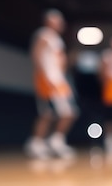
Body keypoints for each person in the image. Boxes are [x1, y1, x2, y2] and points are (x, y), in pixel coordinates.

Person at [24, 9, 79, 160]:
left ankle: (55, 141)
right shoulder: (43, 34)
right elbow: (36, 53)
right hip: (49, 80)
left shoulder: (56, 39)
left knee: (66, 113)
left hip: (59, 80)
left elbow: (60, 62)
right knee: (47, 113)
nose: (61, 24)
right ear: (49, 21)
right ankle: (36, 143)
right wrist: (42, 76)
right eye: (58, 21)